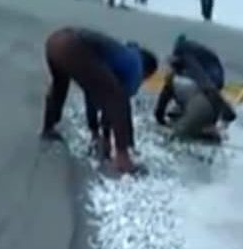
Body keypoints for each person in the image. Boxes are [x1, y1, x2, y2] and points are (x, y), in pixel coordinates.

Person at [40, 27, 158, 173]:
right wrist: (112, 138)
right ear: (147, 72)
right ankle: (123, 160)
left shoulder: (122, 54)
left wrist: (96, 133)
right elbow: (117, 103)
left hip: (54, 41)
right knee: (119, 99)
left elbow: (92, 91)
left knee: (60, 85)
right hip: (72, 46)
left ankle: (48, 128)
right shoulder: (136, 67)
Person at [153, 45, 236, 141]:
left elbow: (160, 108)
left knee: (177, 136)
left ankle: (204, 130)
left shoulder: (174, 78)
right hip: (211, 106)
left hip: (203, 105)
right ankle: (205, 129)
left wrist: (161, 120)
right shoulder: (195, 78)